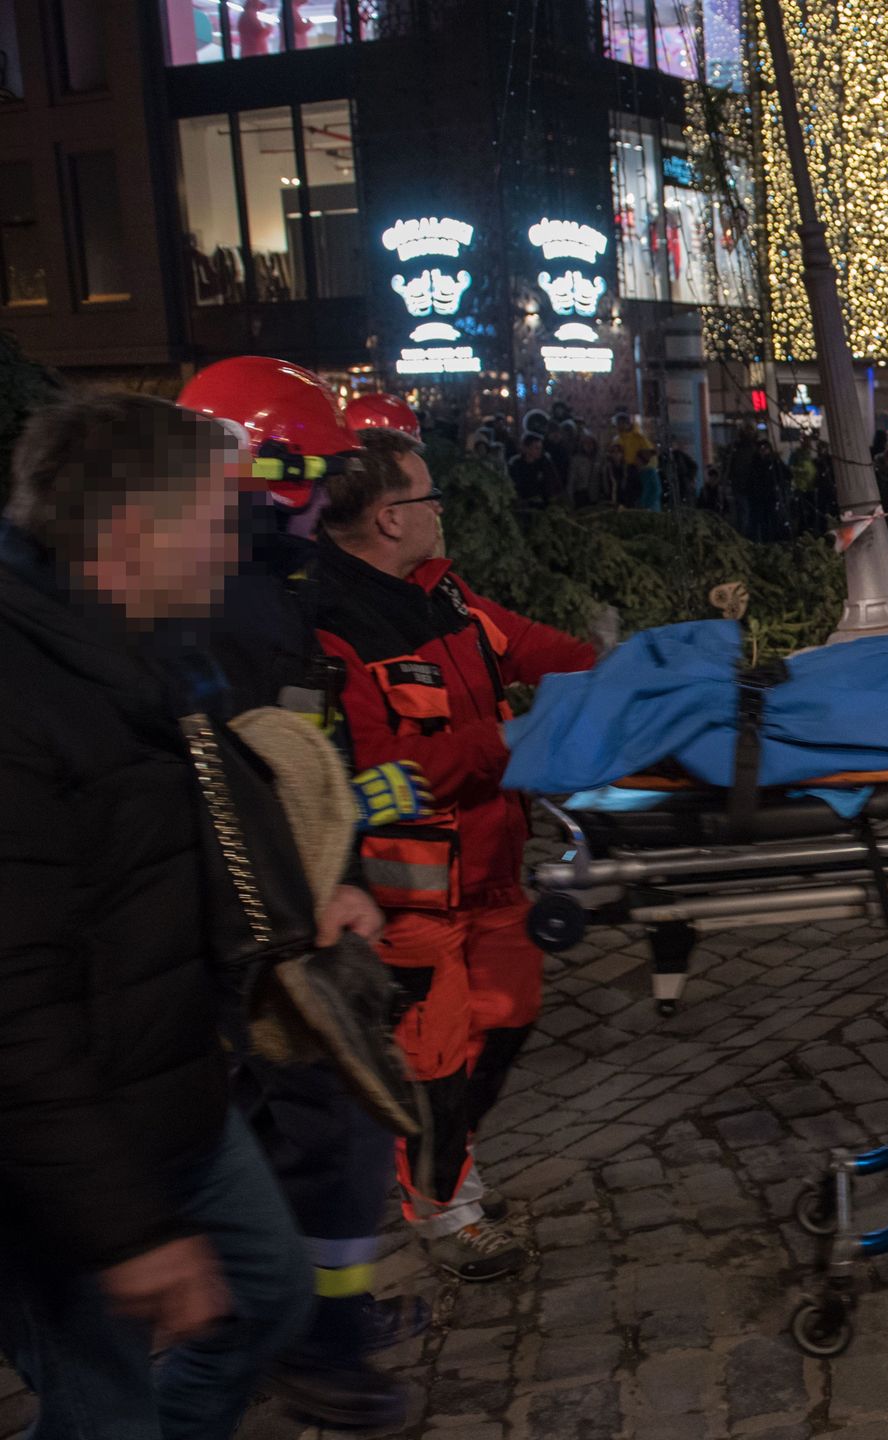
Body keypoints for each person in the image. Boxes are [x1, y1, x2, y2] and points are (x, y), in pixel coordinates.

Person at [0, 391, 315, 1437]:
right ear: (134, 534)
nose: (236, 546)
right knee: (104, 1409)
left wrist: (316, 899)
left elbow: (204, 834)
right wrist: (129, 1231)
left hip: (169, 1094)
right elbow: (16, 1008)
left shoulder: (147, 653)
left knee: (268, 1295)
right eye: (218, 520)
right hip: (62, 1156)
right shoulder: (23, 699)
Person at [175, 360, 434, 1428]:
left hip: (275, 900)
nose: (325, 496)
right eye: (312, 473)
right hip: (267, 914)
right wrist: (331, 849)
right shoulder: (231, 603)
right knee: (337, 1124)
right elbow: (234, 782)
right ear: (265, 470)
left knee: (285, 1124)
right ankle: (319, 1341)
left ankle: (300, 1322)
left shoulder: (257, 586)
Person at [310, 431, 596, 1283]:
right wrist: (510, 737)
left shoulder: (447, 597)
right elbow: (375, 778)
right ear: (391, 518)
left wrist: (613, 675)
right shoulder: (332, 634)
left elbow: (533, 647)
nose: (444, 510)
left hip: (492, 870)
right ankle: (442, 1209)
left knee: (505, 1021)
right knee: (434, 1061)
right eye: (431, 497)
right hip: (413, 898)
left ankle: (450, 1170)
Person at [506, 432, 561, 509]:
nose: (539, 451)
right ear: (526, 448)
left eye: (540, 448)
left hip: (543, 505)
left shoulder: (545, 462)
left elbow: (553, 483)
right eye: (536, 448)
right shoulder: (515, 464)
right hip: (523, 506)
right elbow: (511, 484)